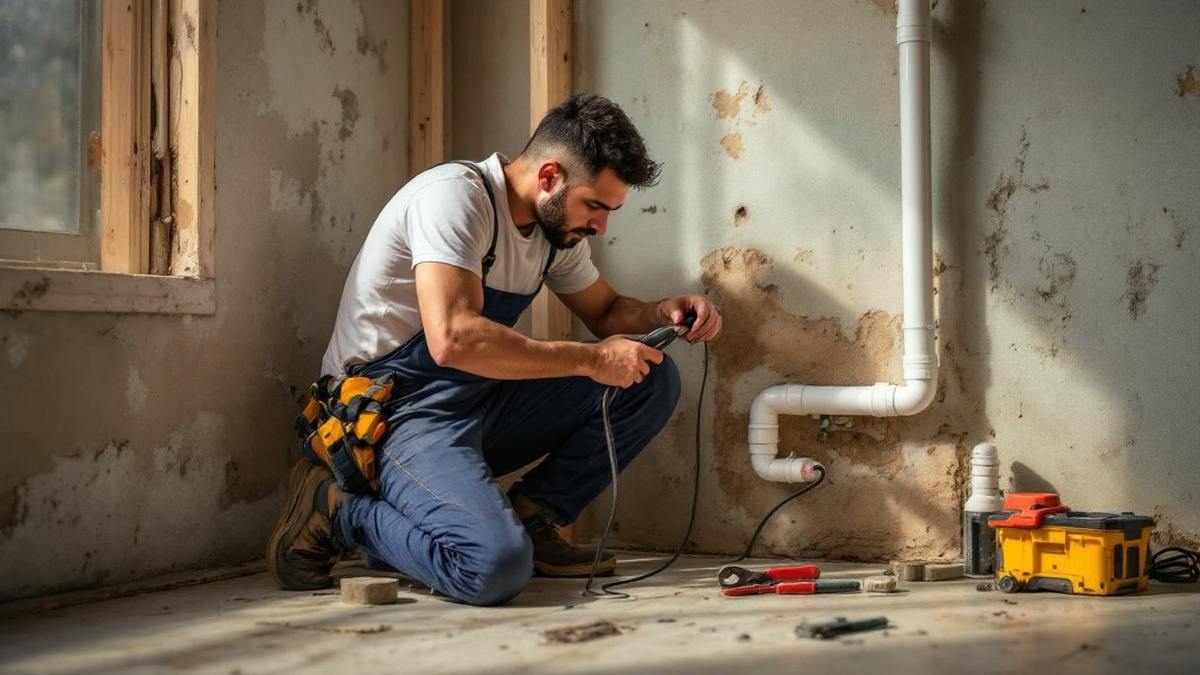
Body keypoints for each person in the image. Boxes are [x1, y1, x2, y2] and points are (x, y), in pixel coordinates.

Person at [267, 94, 722, 606]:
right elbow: (454, 338)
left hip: (477, 399)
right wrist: (592, 359)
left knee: (650, 375)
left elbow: (607, 309)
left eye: (610, 211)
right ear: (549, 176)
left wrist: (663, 311)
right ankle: (337, 509)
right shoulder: (455, 199)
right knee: (491, 569)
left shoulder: (554, 233)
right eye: (595, 206)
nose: (601, 225)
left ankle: (534, 517)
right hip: (395, 413)